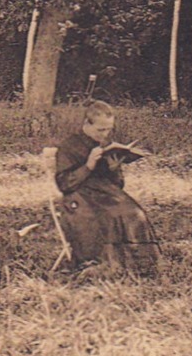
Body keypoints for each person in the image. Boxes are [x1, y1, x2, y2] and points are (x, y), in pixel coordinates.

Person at [53, 101, 159, 274]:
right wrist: (88, 165)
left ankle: (139, 264)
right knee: (106, 216)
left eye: (109, 129)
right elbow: (64, 184)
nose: (105, 134)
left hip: (106, 193)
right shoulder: (69, 146)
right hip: (78, 195)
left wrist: (114, 168)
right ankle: (101, 264)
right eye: (100, 130)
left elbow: (118, 185)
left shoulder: (105, 144)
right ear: (87, 124)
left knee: (135, 213)